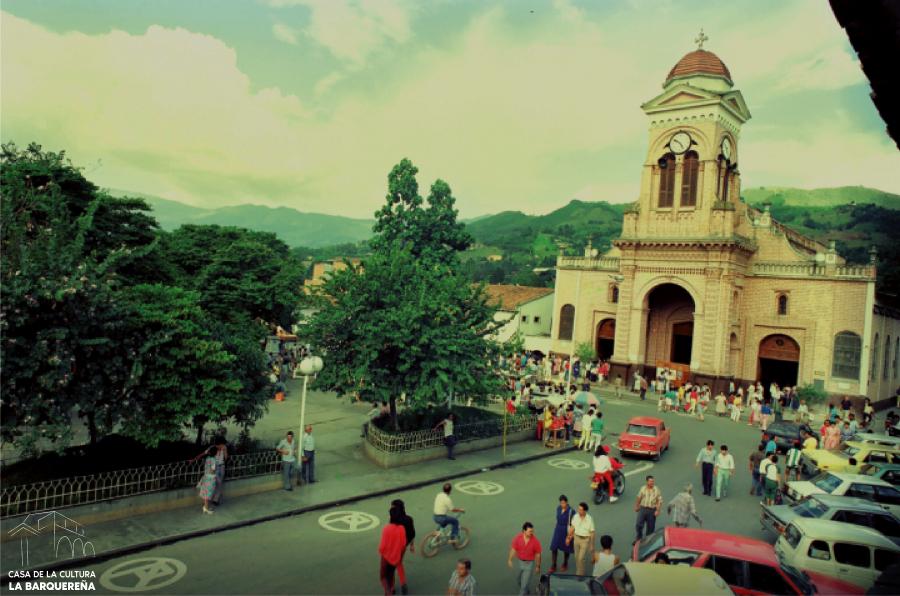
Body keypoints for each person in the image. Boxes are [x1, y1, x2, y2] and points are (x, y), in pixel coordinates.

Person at [379, 506, 408, 596]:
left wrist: (382, 553)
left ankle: (389, 592)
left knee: (383, 577)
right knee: (390, 575)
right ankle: (391, 589)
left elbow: (382, 546)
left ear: (390, 517)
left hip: (386, 557)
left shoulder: (386, 528)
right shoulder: (402, 529)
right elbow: (403, 545)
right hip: (395, 558)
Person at [508, 522, 542, 596]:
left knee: (523, 587)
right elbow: (513, 549)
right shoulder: (517, 538)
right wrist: (510, 560)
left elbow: (538, 555)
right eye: (530, 531)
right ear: (524, 531)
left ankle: (524, 591)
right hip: (520, 563)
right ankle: (526, 591)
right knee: (519, 581)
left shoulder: (535, 541)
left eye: (532, 531)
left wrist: (537, 566)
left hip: (529, 564)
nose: (532, 533)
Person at [391, 499, 416, 595]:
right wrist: (412, 545)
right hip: (403, 545)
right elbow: (412, 533)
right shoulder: (409, 519)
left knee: (391, 566)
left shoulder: (394, 520)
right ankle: (403, 582)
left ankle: (392, 587)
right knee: (399, 563)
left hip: (394, 546)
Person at [566, 502, 595, 576]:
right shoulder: (575, 516)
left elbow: (592, 532)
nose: (578, 511)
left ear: (585, 511)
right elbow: (572, 527)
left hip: (585, 540)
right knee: (576, 557)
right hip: (576, 538)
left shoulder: (589, 519)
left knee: (580, 558)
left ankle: (579, 574)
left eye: (580, 510)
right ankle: (580, 570)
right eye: (578, 509)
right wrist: (568, 537)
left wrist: (591, 545)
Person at [549, 495, 575, 573]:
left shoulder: (571, 511)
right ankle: (553, 565)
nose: (562, 504)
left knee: (566, 548)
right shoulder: (558, 508)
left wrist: (570, 535)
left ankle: (565, 563)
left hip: (566, 530)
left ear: (567, 502)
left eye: (563, 503)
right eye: (561, 503)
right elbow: (557, 518)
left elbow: (573, 524)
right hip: (558, 529)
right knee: (554, 547)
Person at [634, 476, 662, 541]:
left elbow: (659, 501)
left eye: (653, 481)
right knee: (638, 524)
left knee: (650, 527)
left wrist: (657, 510)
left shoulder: (656, 489)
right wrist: (636, 506)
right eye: (650, 481)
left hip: (652, 510)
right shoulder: (643, 488)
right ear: (647, 482)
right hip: (643, 508)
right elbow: (639, 497)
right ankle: (639, 538)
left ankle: (648, 541)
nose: (652, 482)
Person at [196, 445, 218, 514]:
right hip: (211, 478)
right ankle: (206, 508)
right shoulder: (214, 460)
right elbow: (213, 470)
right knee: (208, 494)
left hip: (205, 476)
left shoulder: (208, 458)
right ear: (216, 453)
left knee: (205, 492)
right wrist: (215, 475)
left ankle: (205, 506)